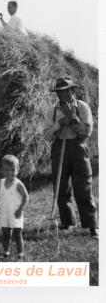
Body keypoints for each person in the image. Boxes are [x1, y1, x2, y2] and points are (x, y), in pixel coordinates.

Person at [41, 77, 98, 238]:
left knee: (84, 186)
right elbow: (46, 135)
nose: (64, 94)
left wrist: (73, 119)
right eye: (61, 91)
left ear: (73, 90)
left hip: (79, 148)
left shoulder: (82, 107)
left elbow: (86, 131)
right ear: (57, 94)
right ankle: (68, 222)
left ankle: (92, 225)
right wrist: (59, 124)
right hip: (60, 148)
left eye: (67, 90)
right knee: (61, 186)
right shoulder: (52, 111)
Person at [0, 154, 29, 259]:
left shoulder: (18, 184)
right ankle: (6, 252)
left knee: (17, 235)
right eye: (6, 170)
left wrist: (20, 209)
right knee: (6, 234)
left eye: (12, 170)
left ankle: (20, 254)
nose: (10, 172)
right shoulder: (1, 182)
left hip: (16, 213)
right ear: (2, 170)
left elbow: (26, 197)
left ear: (17, 170)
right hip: (5, 213)